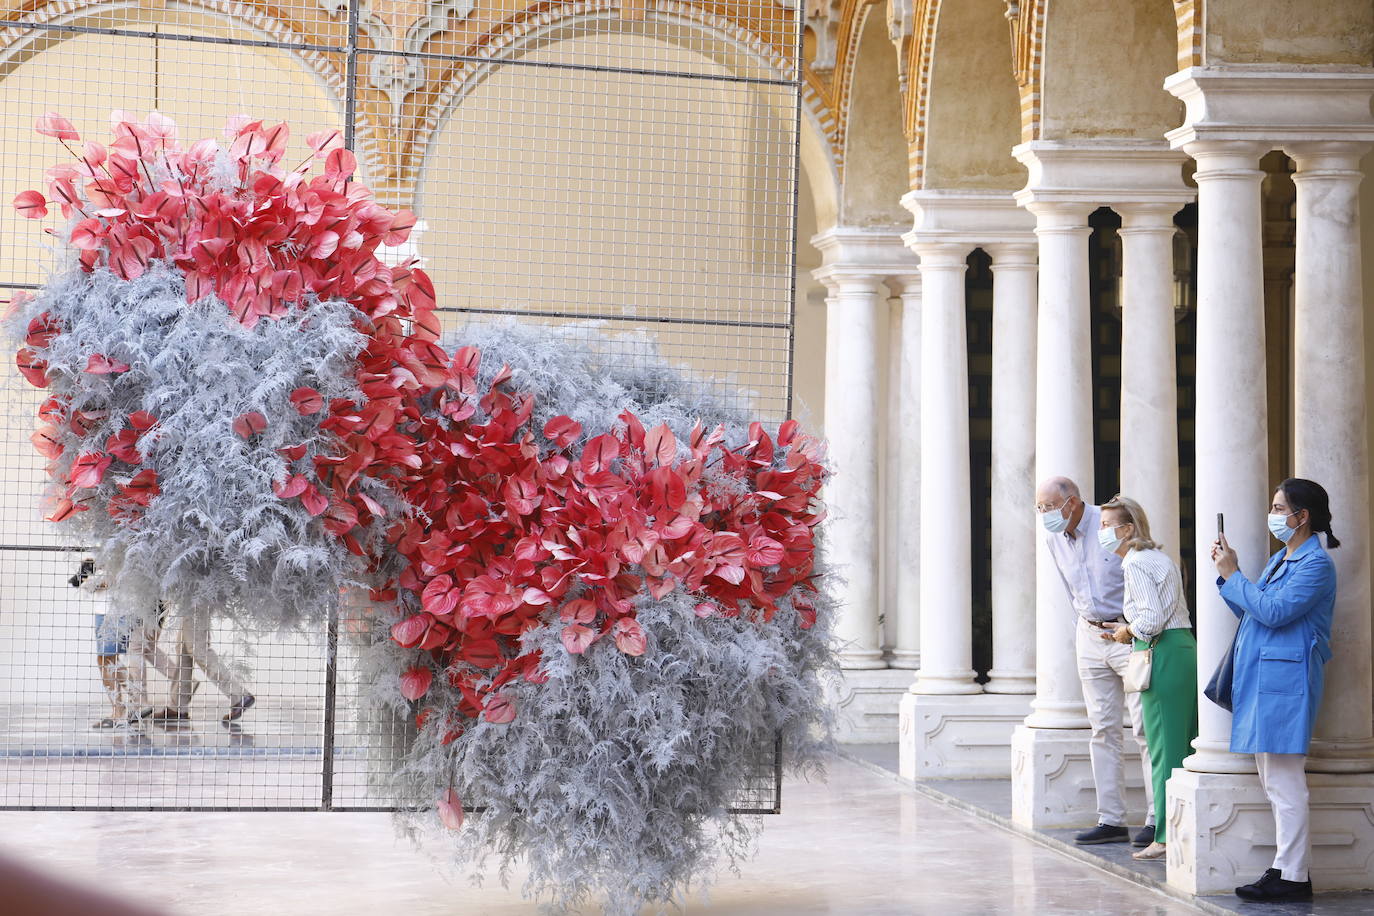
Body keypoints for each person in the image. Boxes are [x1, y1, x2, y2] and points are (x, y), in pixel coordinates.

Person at [1211, 478, 1336, 903]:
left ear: (1303, 517)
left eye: (1281, 508)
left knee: (1285, 782)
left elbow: (1275, 612)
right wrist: (1228, 578)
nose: (1275, 515)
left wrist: (1234, 576)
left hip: (1287, 683)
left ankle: (1295, 876)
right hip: (1266, 681)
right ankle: (1284, 867)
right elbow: (1252, 612)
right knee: (1272, 780)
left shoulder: (1316, 565)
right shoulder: (1281, 559)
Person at [1036, 476, 1154, 847]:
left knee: (1145, 729)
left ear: (1071, 503)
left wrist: (1132, 628)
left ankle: (1156, 818)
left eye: (1049, 508)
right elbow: (1069, 587)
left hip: (1128, 632)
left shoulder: (1110, 525)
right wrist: (1086, 626)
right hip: (1090, 634)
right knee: (1102, 730)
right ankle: (1112, 819)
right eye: (1039, 508)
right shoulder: (1053, 536)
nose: (1044, 515)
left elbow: (1144, 574)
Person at [1096, 496, 1197, 862]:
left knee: (1163, 749)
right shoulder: (1158, 557)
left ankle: (1166, 836)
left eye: (1108, 526)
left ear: (1128, 529)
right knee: (1182, 745)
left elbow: (1152, 619)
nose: (1102, 532)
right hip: (1182, 647)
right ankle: (1180, 830)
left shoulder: (1135, 563)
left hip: (1163, 652)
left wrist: (1127, 632)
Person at [151, 609, 255, 725]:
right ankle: (178, 707)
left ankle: (239, 695)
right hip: (189, 598)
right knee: (184, 648)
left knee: (198, 648)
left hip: (194, 596)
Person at [71, 558, 128, 729]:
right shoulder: (99, 550)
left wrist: (93, 578)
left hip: (118, 611)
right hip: (103, 611)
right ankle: (128, 703)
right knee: (106, 660)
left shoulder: (121, 547)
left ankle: (124, 706)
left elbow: (109, 582)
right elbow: (83, 583)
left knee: (107, 659)